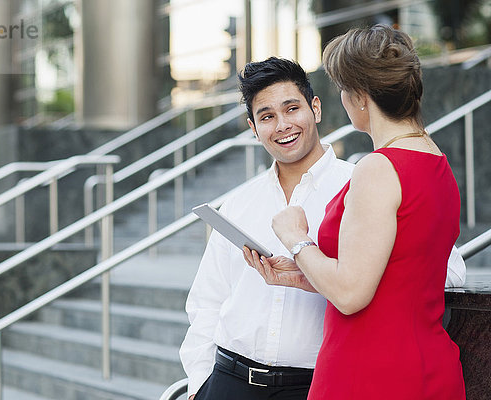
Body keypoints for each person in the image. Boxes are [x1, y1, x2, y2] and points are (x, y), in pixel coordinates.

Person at [180, 56, 466, 400]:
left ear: (315, 108)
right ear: (253, 128)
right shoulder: (239, 203)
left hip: (318, 382)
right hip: (230, 381)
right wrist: (200, 385)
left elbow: (444, 269)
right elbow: (207, 302)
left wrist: (338, 269)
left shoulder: (366, 182)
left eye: (291, 108)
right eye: (267, 116)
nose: (282, 124)